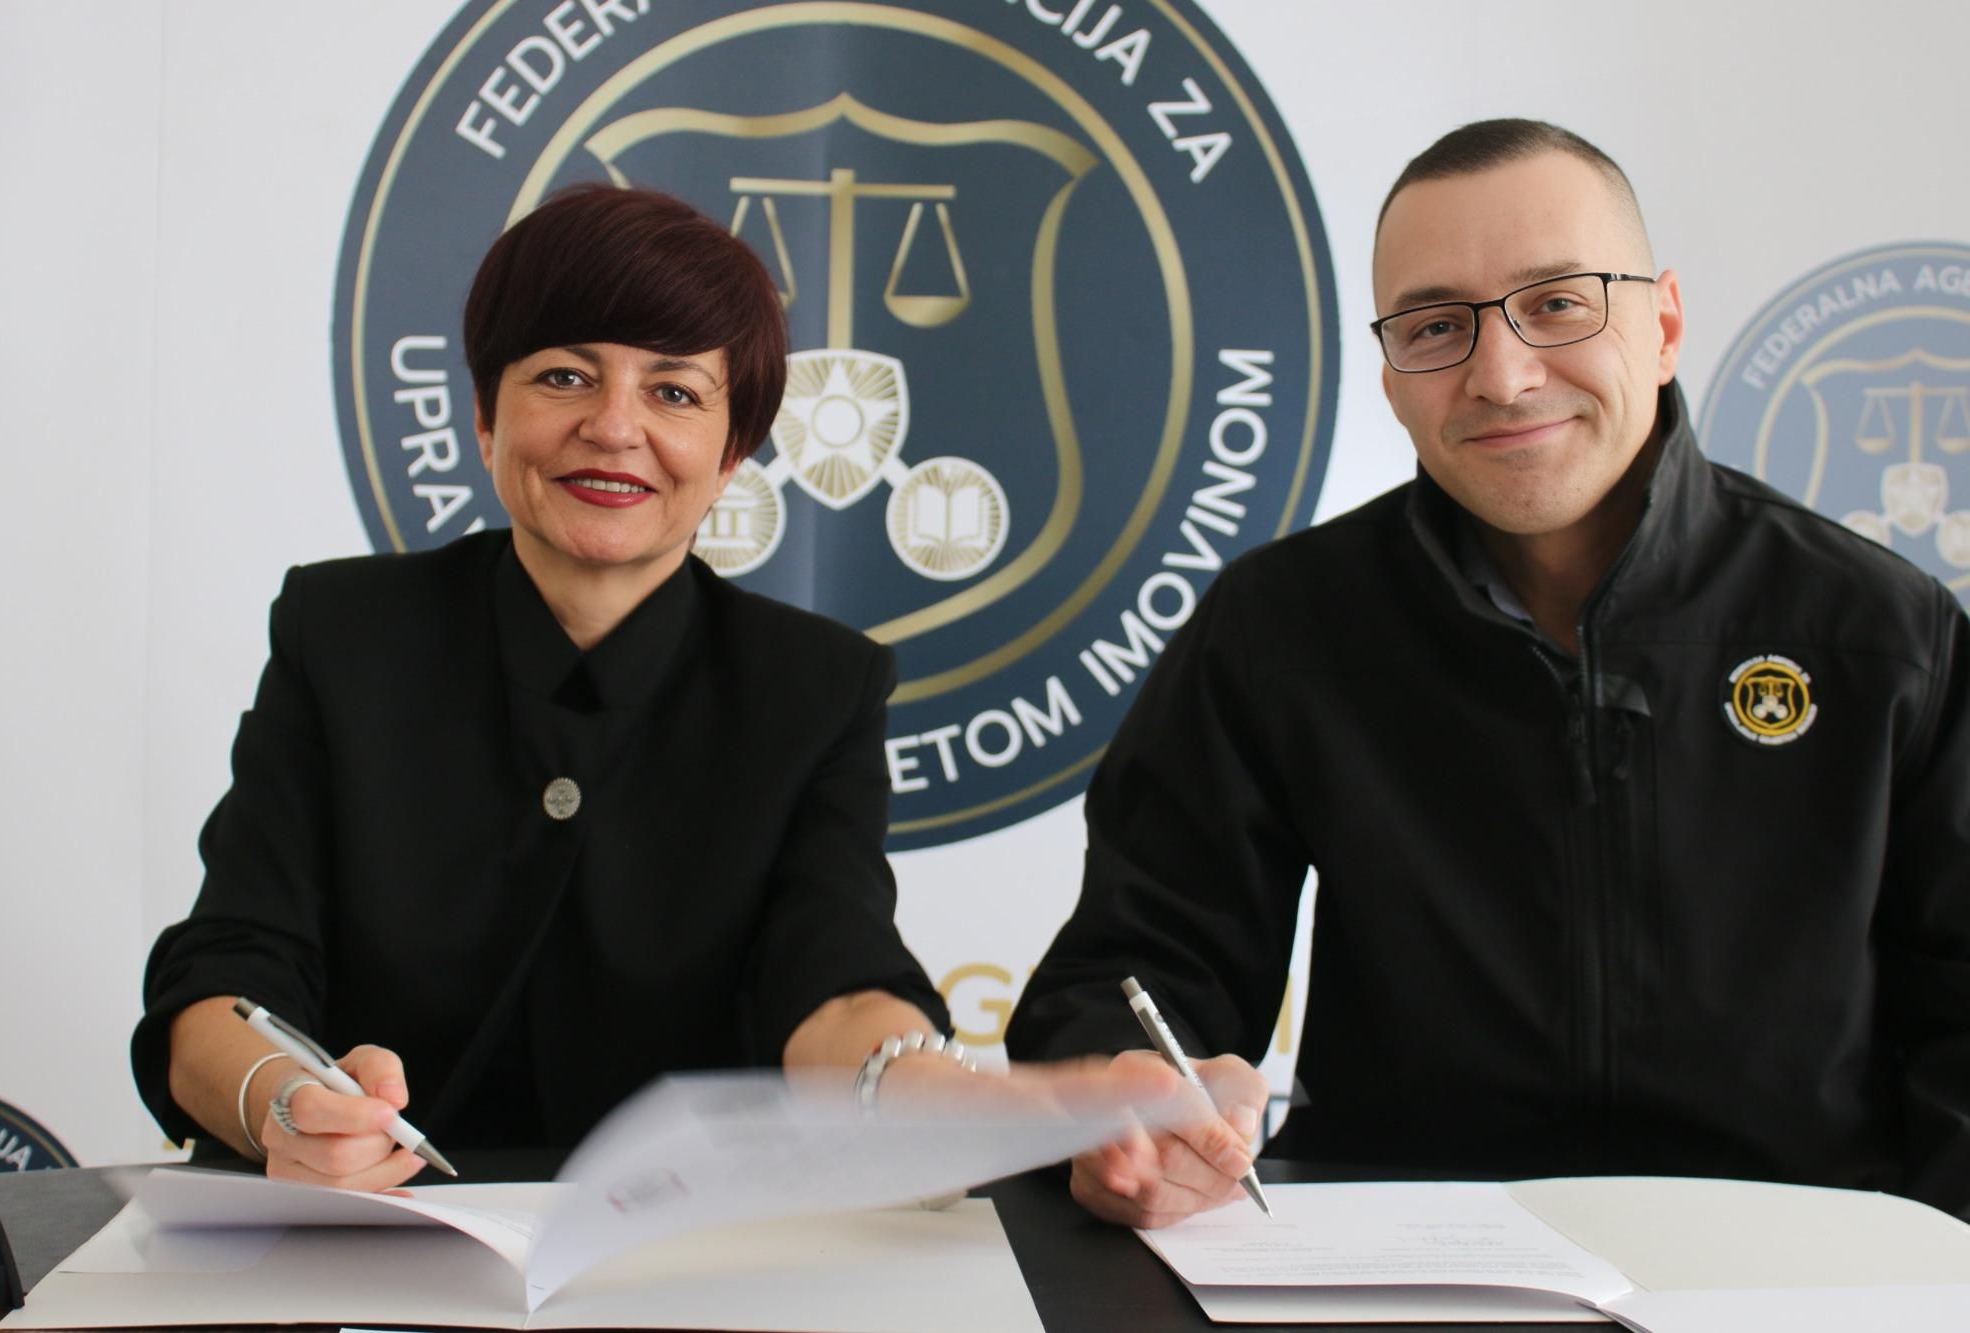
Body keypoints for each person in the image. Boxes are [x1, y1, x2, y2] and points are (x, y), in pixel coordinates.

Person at [1006, 119, 1970, 1227]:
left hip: (1794, 1262)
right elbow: (1140, 966)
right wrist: (1124, 1093)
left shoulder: (1879, 630)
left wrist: (1912, 1275)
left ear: (1662, 326)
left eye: (1556, 304)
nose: (1502, 377)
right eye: (1435, 326)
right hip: (1394, 1254)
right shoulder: (1282, 627)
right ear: (1389, 377)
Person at [133, 184, 1169, 1192]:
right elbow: (226, 976)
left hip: (690, 1251)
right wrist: (282, 1104)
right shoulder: (343, 634)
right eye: (563, 377)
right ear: (486, 417)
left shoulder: (814, 686)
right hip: (368, 1236)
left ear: (731, 454)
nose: (613, 426)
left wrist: (973, 1099)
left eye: (673, 392)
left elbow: (833, 977)